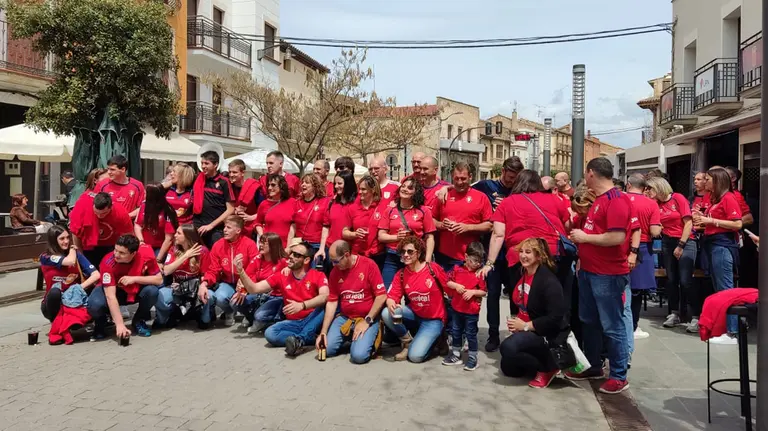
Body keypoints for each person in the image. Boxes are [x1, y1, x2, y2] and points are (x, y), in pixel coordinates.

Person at [567, 157, 633, 395]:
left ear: (591, 173)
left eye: (586, 174)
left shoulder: (616, 201)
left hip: (608, 274)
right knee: (590, 322)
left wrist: (585, 239)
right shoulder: (599, 201)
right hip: (590, 272)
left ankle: (618, 375)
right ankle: (594, 365)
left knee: (612, 325)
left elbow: (617, 237)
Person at [480, 170, 571, 312]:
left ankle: (520, 327)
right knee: (551, 298)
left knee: (519, 297)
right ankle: (551, 328)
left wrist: (489, 263)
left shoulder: (507, 203)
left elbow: (498, 235)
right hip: (550, 254)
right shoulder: (554, 199)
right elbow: (567, 224)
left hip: (519, 258)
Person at [468, 156, 523, 352]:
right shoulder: (485, 185)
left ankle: (516, 334)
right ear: (503, 172)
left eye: (514, 179)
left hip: (514, 253)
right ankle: (493, 335)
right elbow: (462, 187)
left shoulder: (520, 191)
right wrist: (444, 189)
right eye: (509, 178)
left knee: (517, 296)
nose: (510, 182)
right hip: (491, 253)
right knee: (492, 296)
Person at [498, 238, 569, 389]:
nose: (523, 255)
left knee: (507, 348)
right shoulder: (521, 272)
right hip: (525, 328)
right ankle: (537, 365)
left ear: (539, 256)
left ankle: (548, 367)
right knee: (508, 368)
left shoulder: (549, 282)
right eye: (521, 251)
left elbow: (556, 318)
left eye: (528, 252)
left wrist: (525, 326)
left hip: (544, 333)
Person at [240, 241, 329, 356]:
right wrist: (241, 271)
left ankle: (300, 340)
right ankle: (306, 338)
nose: (291, 256)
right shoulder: (282, 275)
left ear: (306, 260)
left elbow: (325, 296)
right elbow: (254, 289)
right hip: (293, 322)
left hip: (312, 319)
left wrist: (302, 305)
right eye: (291, 253)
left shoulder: (318, 275)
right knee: (270, 333)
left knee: (325, 307)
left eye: (296, 255)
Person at [316, 240, 387, 364]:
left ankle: (367, 338)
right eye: (331, 261)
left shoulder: (368, 265)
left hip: (367, 318)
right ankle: (353, 339)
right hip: (346, 318)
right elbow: (332, 302)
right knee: (326, 349)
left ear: (347, 255)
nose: (333, 265)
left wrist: (367, 321)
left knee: (358, 357)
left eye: (336, 261)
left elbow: (381, 296)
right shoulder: (334, 272)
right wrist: (323, 332)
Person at [693, 167, 742, 345]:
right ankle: (724, 328)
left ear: (717, 181)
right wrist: (703, 219)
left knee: (725, 289)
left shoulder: (729, 198)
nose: (704, 182)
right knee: (719, 288)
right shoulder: (716, 199)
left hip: (722, 246)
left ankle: (732, 331)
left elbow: (737, 223)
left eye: (708, 179)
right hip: (712, 244)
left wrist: (711, 221)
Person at [381, 236, 448, 363]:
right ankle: (407, 342)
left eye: (410, 251)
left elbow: (450, 289)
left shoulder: (432, 269)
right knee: (387, 313)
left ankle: (437, 339)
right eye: (403, 252)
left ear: (419, 253)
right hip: (415, 315)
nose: (406, 255)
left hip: (433, 320)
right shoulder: (401, 274)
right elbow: (391, 297)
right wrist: (391, 303)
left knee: (415, 357)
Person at [646, 176, 698, 333]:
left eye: (650, 188)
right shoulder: (656, 205)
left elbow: (688, 223)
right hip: (667, 242)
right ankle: (675, 313)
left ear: (659, 187)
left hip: (685, 240)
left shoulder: (678, 198)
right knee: (671, 279)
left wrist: (681, 245)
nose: (648, 192)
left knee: (686, 280)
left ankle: (695, 315)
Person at [87, 234, 163, 339]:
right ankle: (101, 323)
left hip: (134, 289)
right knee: (94, 305)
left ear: (133, 253)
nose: (116, 255)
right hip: (112, 290)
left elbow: (159, 280)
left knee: (152, 291)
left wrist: (135, 278)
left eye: (122, 253)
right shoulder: (107, 262)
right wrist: (120, 324)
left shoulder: (146, 255)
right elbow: (110, 296)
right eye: (115, 250)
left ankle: (138, 320)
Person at [198, 215, 259, 328]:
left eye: (228, 227)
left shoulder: (249, 244)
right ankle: (229, 312)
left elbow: (255, 269)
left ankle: (247, 313)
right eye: (225, 227)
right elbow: (213, 269)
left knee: (238, 301)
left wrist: (244, 288)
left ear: (238, 230)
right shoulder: (218, 245)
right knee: (220, 297)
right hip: (227, 282)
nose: (224, 230)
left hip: (246, 282)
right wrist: (204, 283)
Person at [433, 162, 493, 273]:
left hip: (471, 258)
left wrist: (468, 227)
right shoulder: (444, 195)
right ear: (452, 177)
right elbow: (431, 220)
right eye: (456, 179)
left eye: (463, 179)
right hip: (445, 256)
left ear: (470, 177)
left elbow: (489, 226)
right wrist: (441, 225)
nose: (460, 182)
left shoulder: (481, 197)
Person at [377, 177, 436, 288]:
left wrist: (427, 260)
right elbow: (381, 236)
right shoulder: (389, 210)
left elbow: (430, 237)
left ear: (415, 192)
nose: (405, 189)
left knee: (414, 292)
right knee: (387, 291)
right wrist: (396, 237)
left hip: (415, 257)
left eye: (409, 188)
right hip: (393, 256)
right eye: (403, 186)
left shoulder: (424, 211)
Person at [624, 174, 659, 342]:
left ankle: (621, 324)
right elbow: (654, 231)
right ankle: (633, 326)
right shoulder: (651, 204)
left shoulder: (620, 199)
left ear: (628, 185)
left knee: (621, 288)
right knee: (636, 291)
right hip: (643, 247)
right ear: (644, 187)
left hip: (621, 245)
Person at [441, 242, 487, 371]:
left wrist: (473, 292)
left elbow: (484, 291)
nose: (477, 264)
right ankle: (456, 353)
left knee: (470, 333)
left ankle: (473, 357)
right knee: (456, 331)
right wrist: (456, 286)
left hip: (471, 311)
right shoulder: (457, 269)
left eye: (479, 261)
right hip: (456, 308)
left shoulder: (479, 274)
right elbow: (446, 281)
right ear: (466, 257)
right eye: (474, 260)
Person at [39, 225, 100, 321]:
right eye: (62, 239)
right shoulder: (46, 257)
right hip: (53, 302)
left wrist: (79, 288)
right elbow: (70, 261)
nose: (66, 241)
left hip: (74, 298)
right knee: (55, 292)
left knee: (99, 289)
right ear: (54, 241)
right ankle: (57, 322)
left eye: (68, 237)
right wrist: (72, 249)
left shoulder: (76, 254)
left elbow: (96, 274)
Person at [155, 224, 211, 328]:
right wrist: (186, 255)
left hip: (195, 288)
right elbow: (166, 271)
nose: (175, 235)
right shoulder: (174, 249)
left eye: (178, 233)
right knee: (158, 295)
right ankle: (165, 317)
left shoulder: (202, 251)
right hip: (177, 287)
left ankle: (204, 317)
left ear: (188, 236)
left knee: (210, 296)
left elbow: (206, 274)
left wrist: (202, 287)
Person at [233, 232, 288, 333]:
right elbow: (249, 276)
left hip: (277, 297)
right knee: (235, 301)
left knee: (260, 315)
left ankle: (266, 321)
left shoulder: (283, 262)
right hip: (259, 293)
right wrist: (242, 288)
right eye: (260, 242)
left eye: (264, 243)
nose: (261, 245)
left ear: (273, 245)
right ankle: (252, 318)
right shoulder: (257, 259)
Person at [71, 192, 134, 274]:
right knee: (88, 273)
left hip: (111, 246)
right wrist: (80, 255)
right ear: (93, 206)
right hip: (88, 245)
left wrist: (122, 254)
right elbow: (75, 233)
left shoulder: (120, 212)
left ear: (111, 207)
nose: (99, 216)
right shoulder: (82, 208)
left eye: (104, 213)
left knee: (109, 272)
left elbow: (128, 236)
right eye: (96, 213)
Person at [192, 151, 235, 249]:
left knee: (216, 257)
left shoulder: (224, 182)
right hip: (198, 226)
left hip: (216, 229)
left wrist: (211, 226)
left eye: (206, 163)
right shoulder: (198, 179)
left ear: (215, 165)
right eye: (202, 163)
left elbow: (231, 209)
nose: (203, 166)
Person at [342, 175, 385, 266]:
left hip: (378, 254)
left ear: (373, 190)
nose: (360, 192)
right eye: (359, 189)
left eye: (363, 189)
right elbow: (344, 232)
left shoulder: (383, 207)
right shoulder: (352, 208)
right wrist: (354, 234)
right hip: (358, 254)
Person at [287, 174, 330, 264]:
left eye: (307, 183)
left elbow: (325, 227)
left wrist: (322, 248)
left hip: (316, 245)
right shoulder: (297, 202)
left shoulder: (324, 202)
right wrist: (288, 246)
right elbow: (293, 226)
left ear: (315, 186)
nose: (303, 185)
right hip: (299, 245)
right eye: (302, 183)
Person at [319, 171, 357, 272]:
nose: (336, 186)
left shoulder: (356, 203)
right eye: (335, 183)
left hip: (348, 251)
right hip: (330, 249)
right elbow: (326, 227)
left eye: (340, 183)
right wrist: (321, 248)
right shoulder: (332, 202)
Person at [134, 183, 178, 260]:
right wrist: (141, 242)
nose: (143, 195)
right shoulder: (144, 205)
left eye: (145, 193)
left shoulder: (167, 211)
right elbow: (138, 225)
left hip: (160, 247)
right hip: (144, 243)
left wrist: (158, 259)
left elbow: (169, 239)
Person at [255, 174, 295, 247]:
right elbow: (258, 223)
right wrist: (262, 236)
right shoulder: (264, 204)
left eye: (273, 185)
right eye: (268, 185)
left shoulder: (293, 203)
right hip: (268, 246)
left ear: (282, 186)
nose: (269, 188)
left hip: (287, 246)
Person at [229, 159, 261, 239]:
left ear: (243, 173)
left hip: (251, 228)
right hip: (232, 227)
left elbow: (264, 209)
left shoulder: (253, 187)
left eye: (235, 172)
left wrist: (251, 217)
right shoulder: (228, 187)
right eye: (230, 172)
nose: (231, 175)